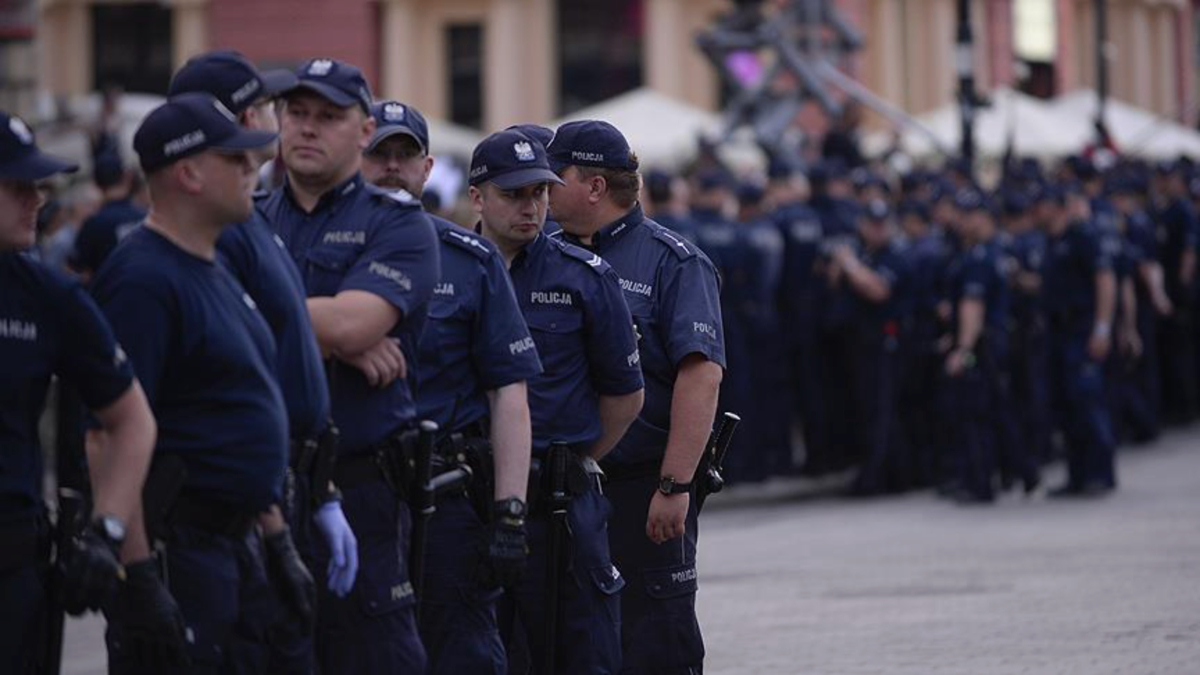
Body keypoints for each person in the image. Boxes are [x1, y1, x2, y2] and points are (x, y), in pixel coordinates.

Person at [90, 93, 311, 672]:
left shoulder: (211, 267)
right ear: (187, 172)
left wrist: (275, 537)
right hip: (182, 548)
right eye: (233, 160)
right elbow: (110, 436)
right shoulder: (142, 279)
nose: (252, 168)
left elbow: (239, 410)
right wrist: (138, 574)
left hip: (234, 549)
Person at [168, 49, 359, 673]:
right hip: (238, 502)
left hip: (289, 483)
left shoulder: (248, 214)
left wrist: (320, 491)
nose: (273, 122)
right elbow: (225, 373)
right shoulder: (216, 225)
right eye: (263, 107)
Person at [256, 58, 440, 673]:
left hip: (363, 489)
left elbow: (356, 324)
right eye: (297, 113)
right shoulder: (248, 220)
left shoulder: (399, 225)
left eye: (329, 117)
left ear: (362, 132)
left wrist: (256, 308)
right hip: (262, 485)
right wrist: (330, 330)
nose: (307, 129)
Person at [362, 100, 543, 674]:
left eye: (405, 155)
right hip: (356, 496)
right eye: (379, 154)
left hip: (447, 500)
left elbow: (508, 394)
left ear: (426, 168)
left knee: (462, 654)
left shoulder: (472, 262)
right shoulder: (319, 253)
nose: (392, 167)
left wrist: (510, 514)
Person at [547, 120, 725, 674]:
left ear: (594, 186)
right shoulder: (542, 255)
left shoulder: (673, 262)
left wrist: (674, 484)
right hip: (558, 490)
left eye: (555, 176)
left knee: (655, 643)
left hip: (640, 489)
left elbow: (701, 376)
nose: (542, 188)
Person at [470, 129, 644, 674]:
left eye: (540, 194)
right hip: (469, 496)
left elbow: (625, 393)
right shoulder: (448, 269)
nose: (531, 207)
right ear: (478, 197)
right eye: (514, 194)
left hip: (559, 500)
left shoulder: (584, 276)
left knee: (581, 651)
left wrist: (576, 457)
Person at [0, 110, 157, 674]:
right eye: (17, 187)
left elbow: (133, 419)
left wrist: (107, 529)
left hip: (13, 574)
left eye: (38, 186)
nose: (36, 200)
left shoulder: (48, 296)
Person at [1039, 184, 1118, 497]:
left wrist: (1102, 328)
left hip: (1081, 329)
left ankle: (1101, 472)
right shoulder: (1051, 240)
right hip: (1057, 331)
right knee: (1064, 403)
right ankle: (1077, 474)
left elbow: (1105, 279)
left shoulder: (1082, 236)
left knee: (1087, 399)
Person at [830, 199, 907, 495]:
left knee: (882, 411)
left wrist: (850, 265)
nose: (876, 230)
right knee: (867, 409)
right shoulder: (865, 252)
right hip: (859, 341)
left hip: (885, 343)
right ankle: (887, 472)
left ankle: (877, 477)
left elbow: (878, 290)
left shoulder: (894, 254)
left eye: (881, 224)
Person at [69, 150, 145, 282]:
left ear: (96, 184)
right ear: (125, 177)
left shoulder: (93, 224)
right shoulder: (146, 217)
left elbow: (76, 268)